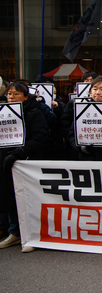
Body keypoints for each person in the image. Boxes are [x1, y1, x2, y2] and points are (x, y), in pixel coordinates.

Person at [0, 81, 49, 252]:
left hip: (26, 162)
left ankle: (33, 235)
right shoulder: (2, 113)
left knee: (28, 198)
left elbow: (40, 137)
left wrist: (19, 152)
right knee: (9, 197)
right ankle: (14, 233)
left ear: (26, 97)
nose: (11, 97)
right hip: (5, 160)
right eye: (9, 94)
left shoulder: (34, 113)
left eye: (16, 94)